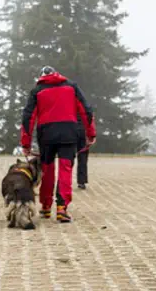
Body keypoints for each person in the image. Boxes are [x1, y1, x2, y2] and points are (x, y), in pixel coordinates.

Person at [20, 66, 96, 223]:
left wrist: (26, 143)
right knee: (65, 169)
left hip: (46, 135)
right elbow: (86, 111)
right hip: (69, 133)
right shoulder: (71, 86)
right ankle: (62, 208)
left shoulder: (37, 91)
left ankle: (46, 206)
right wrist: (90, 133)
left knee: (47, 169)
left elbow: (28, 117)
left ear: (41, 77)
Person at [76, 115, 93, 190]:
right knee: (82, 158)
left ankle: (64, 181)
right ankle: (81, 182)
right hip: (83, 131)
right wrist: (92, 135)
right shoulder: (84, 104)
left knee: (67, 158)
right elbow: (90, 118)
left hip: (69, 129)